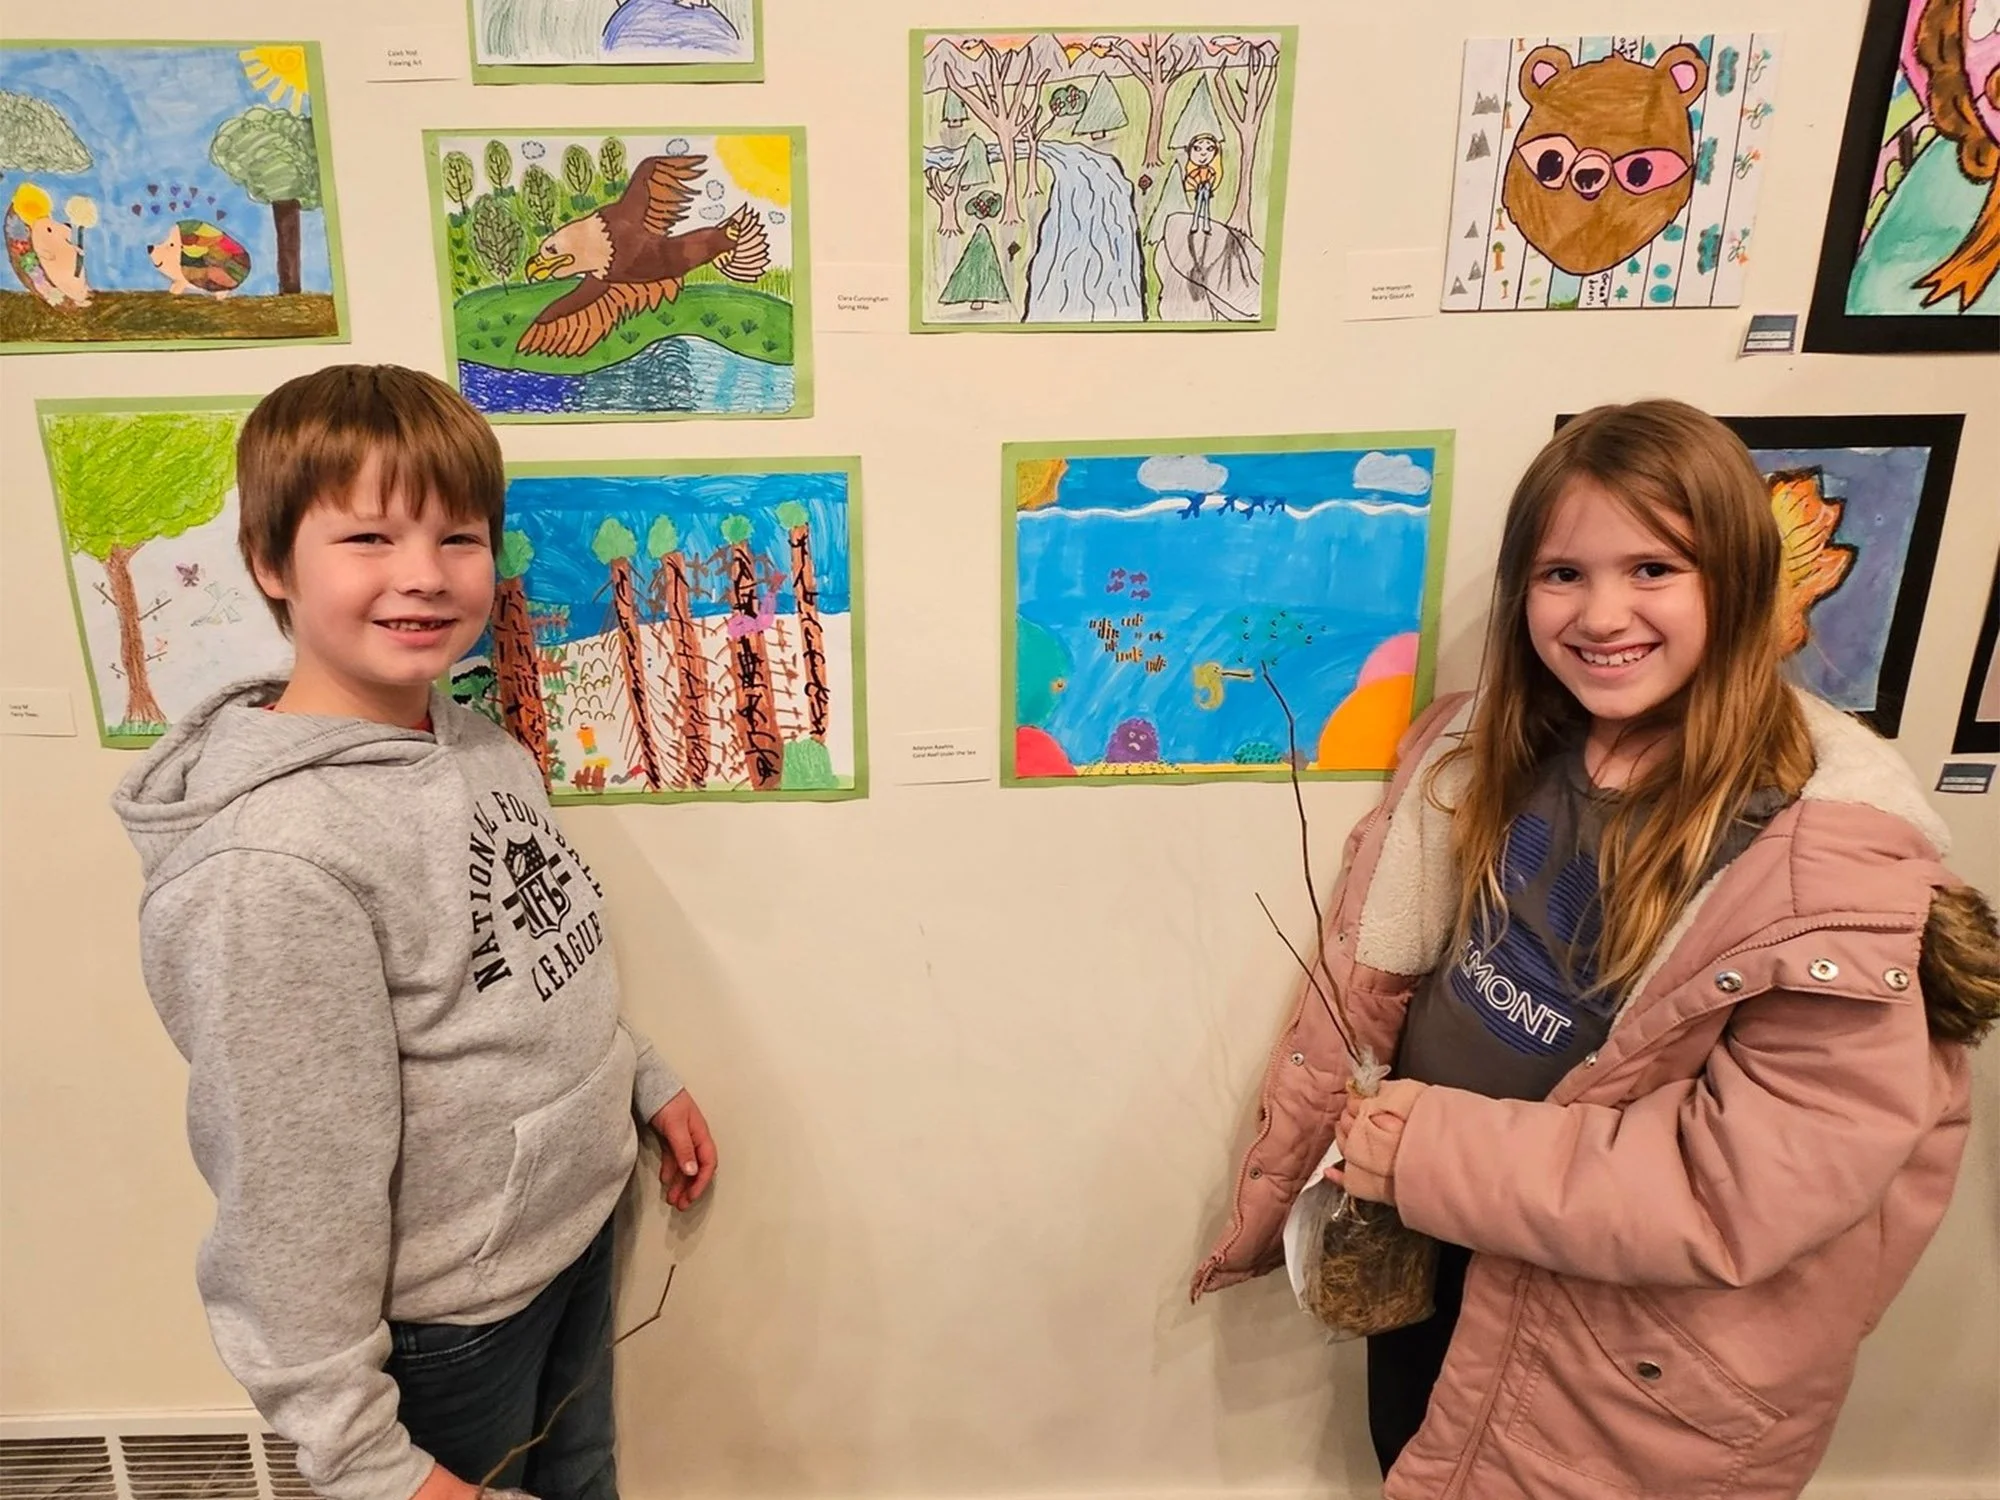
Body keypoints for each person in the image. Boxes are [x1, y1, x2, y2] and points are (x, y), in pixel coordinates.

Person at [1189, 399, 2000, 1499]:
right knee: (1412, 1457)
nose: (1600, 611)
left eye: (1654, 568)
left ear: (1741, 584)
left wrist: (1423, 1153)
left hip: (1610, 1347)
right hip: (1438, 1252)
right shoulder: (1487, 756)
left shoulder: (1825, 879)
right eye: (1561, 573)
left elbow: (1741, 1192)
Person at [114, 365, 718, 1500]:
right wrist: (372, 1465)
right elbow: (289, 1191)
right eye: (369, 539)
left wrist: (639, 1073)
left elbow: (526, 966)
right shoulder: (272, 868)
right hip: (447, 1338)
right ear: (268, 559)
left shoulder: (470, 739)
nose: (423, 578)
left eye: (458, 538)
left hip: (563, 1248)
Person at [1182, 133, 1221, 235]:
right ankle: (1195, 224)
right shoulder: (1198, 170)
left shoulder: (1209, 169)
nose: (1203, 154)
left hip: (1206, 188)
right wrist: (1196, 185)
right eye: (1197, 149)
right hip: (1200, 188)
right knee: (1198, 206)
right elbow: (1189, 177)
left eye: (1209, 149)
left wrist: (1210, 185)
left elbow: (1213, 176)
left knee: (1206, 207)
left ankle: (1206, 225)